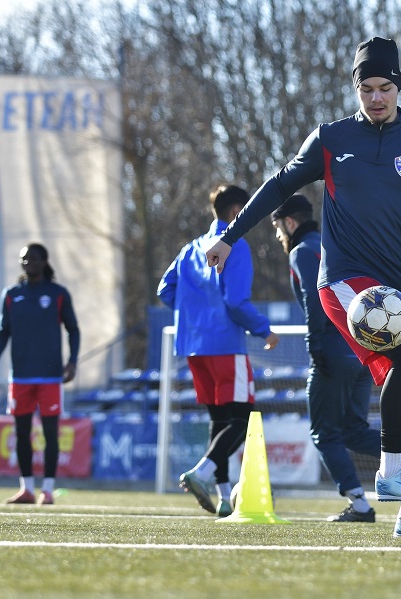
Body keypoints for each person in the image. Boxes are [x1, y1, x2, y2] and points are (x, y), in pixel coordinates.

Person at [205, 37, 401, 539]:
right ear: (356, 89)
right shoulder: (330, 139)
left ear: (399, 86)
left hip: (400, 293)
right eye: (366, 88)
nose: (376, 97)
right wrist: (229, 235)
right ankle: (392, 474)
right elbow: (281, 184)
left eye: (385, 87)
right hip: (345, 283)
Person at [158, 184, 280, 518]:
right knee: (242, 420)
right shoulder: (235, 244)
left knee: (220, 420)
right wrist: (263, 329)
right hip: (225, 344)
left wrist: (193, 313)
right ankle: (200, 472)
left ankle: (224, 495)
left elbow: (165, 289)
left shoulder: (190, 249)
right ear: (237, 211)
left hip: (194, 347)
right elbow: (234, 301)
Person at [271, 194, 381, 522]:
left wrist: (314, 344)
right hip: (361, 349)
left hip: (333, 352)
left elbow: (313, 297)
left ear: (290, 223)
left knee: (323, 433)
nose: (278, 236)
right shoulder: (336, 245)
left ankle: (359, 505)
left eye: (278, 228)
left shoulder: (302, 251)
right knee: (354, 431)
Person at [0, 243, 80, 506]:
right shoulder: (12, 294)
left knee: (50, 434)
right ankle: (26, 488)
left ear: (43, 261)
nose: (27, 263)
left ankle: (47, 490)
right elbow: (3, 331)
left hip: (50, 377)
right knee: (21, 433)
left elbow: (73, 329)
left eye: (33, 258)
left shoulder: (58, 294)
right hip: (21, 377)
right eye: (24, 259)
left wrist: (72, 362)